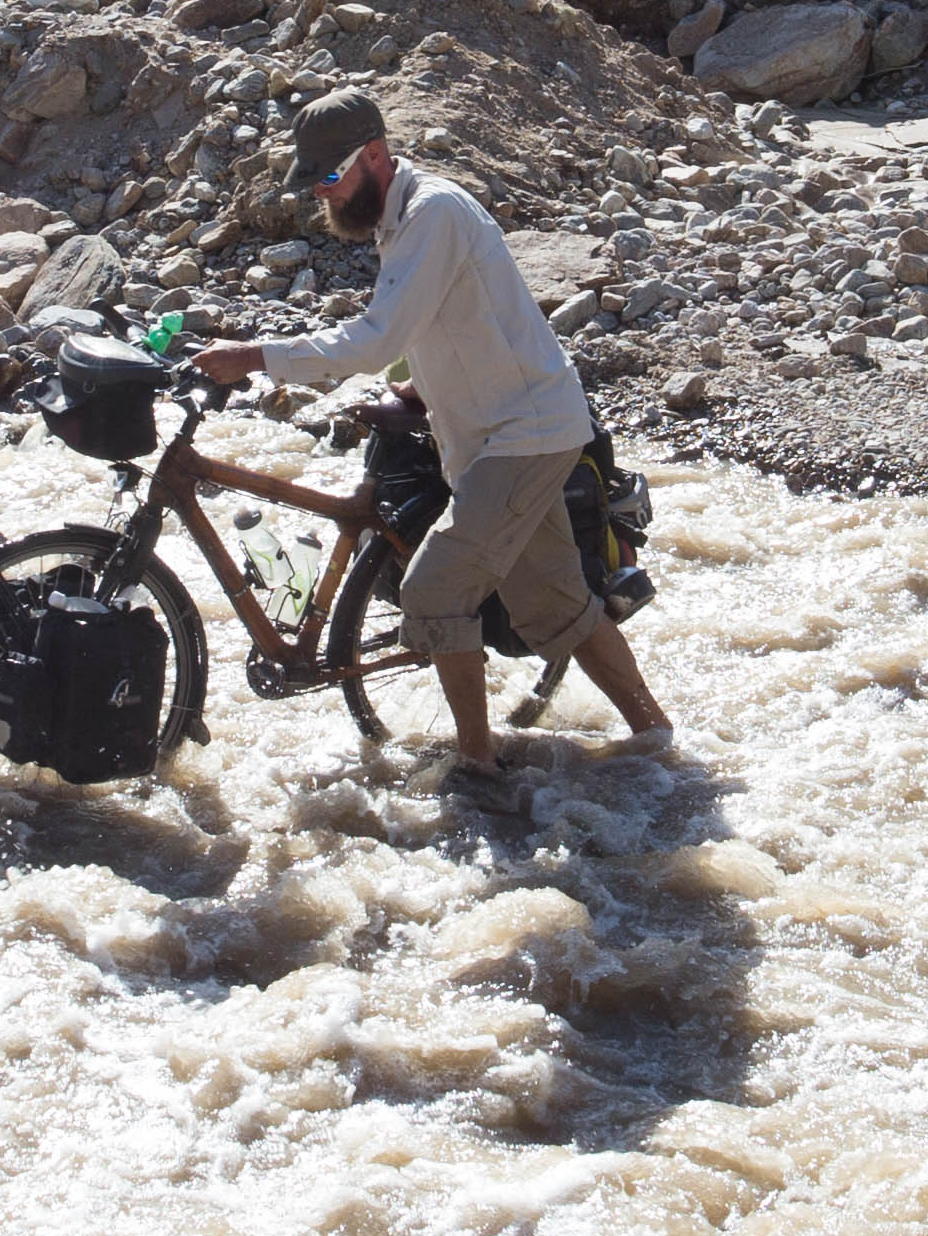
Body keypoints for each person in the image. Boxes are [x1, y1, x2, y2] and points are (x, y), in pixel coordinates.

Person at [196, 89, 673, 786]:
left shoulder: (432, 214)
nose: (323, 197)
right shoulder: (407, 218)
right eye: (316, 184)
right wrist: (415, 384)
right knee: (555, 607)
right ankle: (659, 741)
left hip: (522, 435)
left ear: (377, 156)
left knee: (436, 592)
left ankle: (477, 767)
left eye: (330, 179)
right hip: (510, 433)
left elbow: (376, 335)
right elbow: (443, 316)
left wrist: (254, 355)